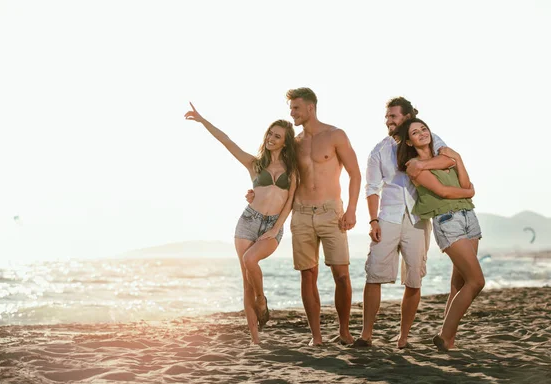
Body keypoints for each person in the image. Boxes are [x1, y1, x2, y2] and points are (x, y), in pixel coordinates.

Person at [184, 102, 298, 345]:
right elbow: (226, 141)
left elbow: (289, 202)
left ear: (285, 142)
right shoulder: (255, 164)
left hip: (271, 226)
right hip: (248, 222)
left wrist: (277, 228)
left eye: (277, 136)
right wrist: (203, 121)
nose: (271, 138)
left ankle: (261, 300)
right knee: (246, 279)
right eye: (270, 133)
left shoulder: (292, 170)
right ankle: (255, 339)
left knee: (250, 260)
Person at [353, 97, 455, 349]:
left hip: (419, 218)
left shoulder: (428, 138)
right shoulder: (379, 150)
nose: (388, 121)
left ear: (408, 117)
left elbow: (449, 159)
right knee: (374, 274)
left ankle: (403, 339)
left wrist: (421, 163)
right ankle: (366, 336)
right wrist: (373, 220)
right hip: (387, 217)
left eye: (393, 117)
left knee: (414, 278)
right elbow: (372, 187)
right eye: (387, 117)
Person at [397, 117, 484, 352]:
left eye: (424, 129)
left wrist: (459, 159)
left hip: (469, 217)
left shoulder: (445, 156)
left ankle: (448, 339)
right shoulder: (413, 166)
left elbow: (464, 180)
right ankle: (445, 336)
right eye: (415, 132)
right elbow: (443, 192)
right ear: (409, 140)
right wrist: (468, 191)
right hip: (448, 221)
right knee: (477, 281)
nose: (422, 133)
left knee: (461, 282)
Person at [287, 87, 361, 346]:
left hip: (331, 212)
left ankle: (344, 331)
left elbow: (355, 174)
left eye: (296, 108)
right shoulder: (294, 143)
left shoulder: (335, 135)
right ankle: (315, 336)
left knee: (341, 274)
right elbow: (279, 175)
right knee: (307, 275)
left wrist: (351, 209)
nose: (292, 113)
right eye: (290, 108)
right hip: (302, 213)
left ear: (310, 107)